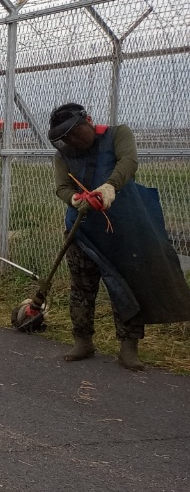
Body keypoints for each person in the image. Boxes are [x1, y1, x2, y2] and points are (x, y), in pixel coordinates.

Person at [48, 103, 190, 370]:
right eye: (65, 137)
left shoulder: (118, 135)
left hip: (124, 230)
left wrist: (109, 187)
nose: (72, 140)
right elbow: (62, 187)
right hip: (83, 231)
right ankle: (83, 341)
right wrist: (75, 199)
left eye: (76, 133)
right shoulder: (63, 155)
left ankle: (128, 348)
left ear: (88, 121)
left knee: (127, 286)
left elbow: (128, 162)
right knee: (82, 288)